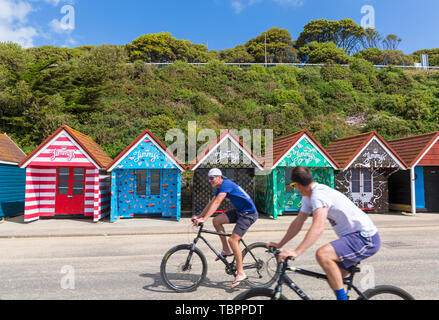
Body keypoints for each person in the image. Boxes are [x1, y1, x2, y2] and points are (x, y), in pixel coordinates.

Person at [267, 166, 381, 300]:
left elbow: (318, 226)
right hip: (354, 237)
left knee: (322, 254)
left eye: (293, 185)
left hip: (365, 237)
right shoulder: (308, 197)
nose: (294, 189)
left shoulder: (318, 195)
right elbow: (298, 223)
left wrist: (296, 252)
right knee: (333, 277)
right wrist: (280, 243)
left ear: (298, 185)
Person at [192, 168, 258, 289]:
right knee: (216, 221)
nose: (209, 180)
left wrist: (204, 219)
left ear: (219, 177)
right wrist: (199, 216)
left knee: (233, 240)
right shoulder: (219, 188)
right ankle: (226, 250)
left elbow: (217, 203)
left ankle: (241, 273)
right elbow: (210, 203)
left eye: (211, 178)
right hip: (239, 212)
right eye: (208, 178)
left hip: (248, 214)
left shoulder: (226, 184)